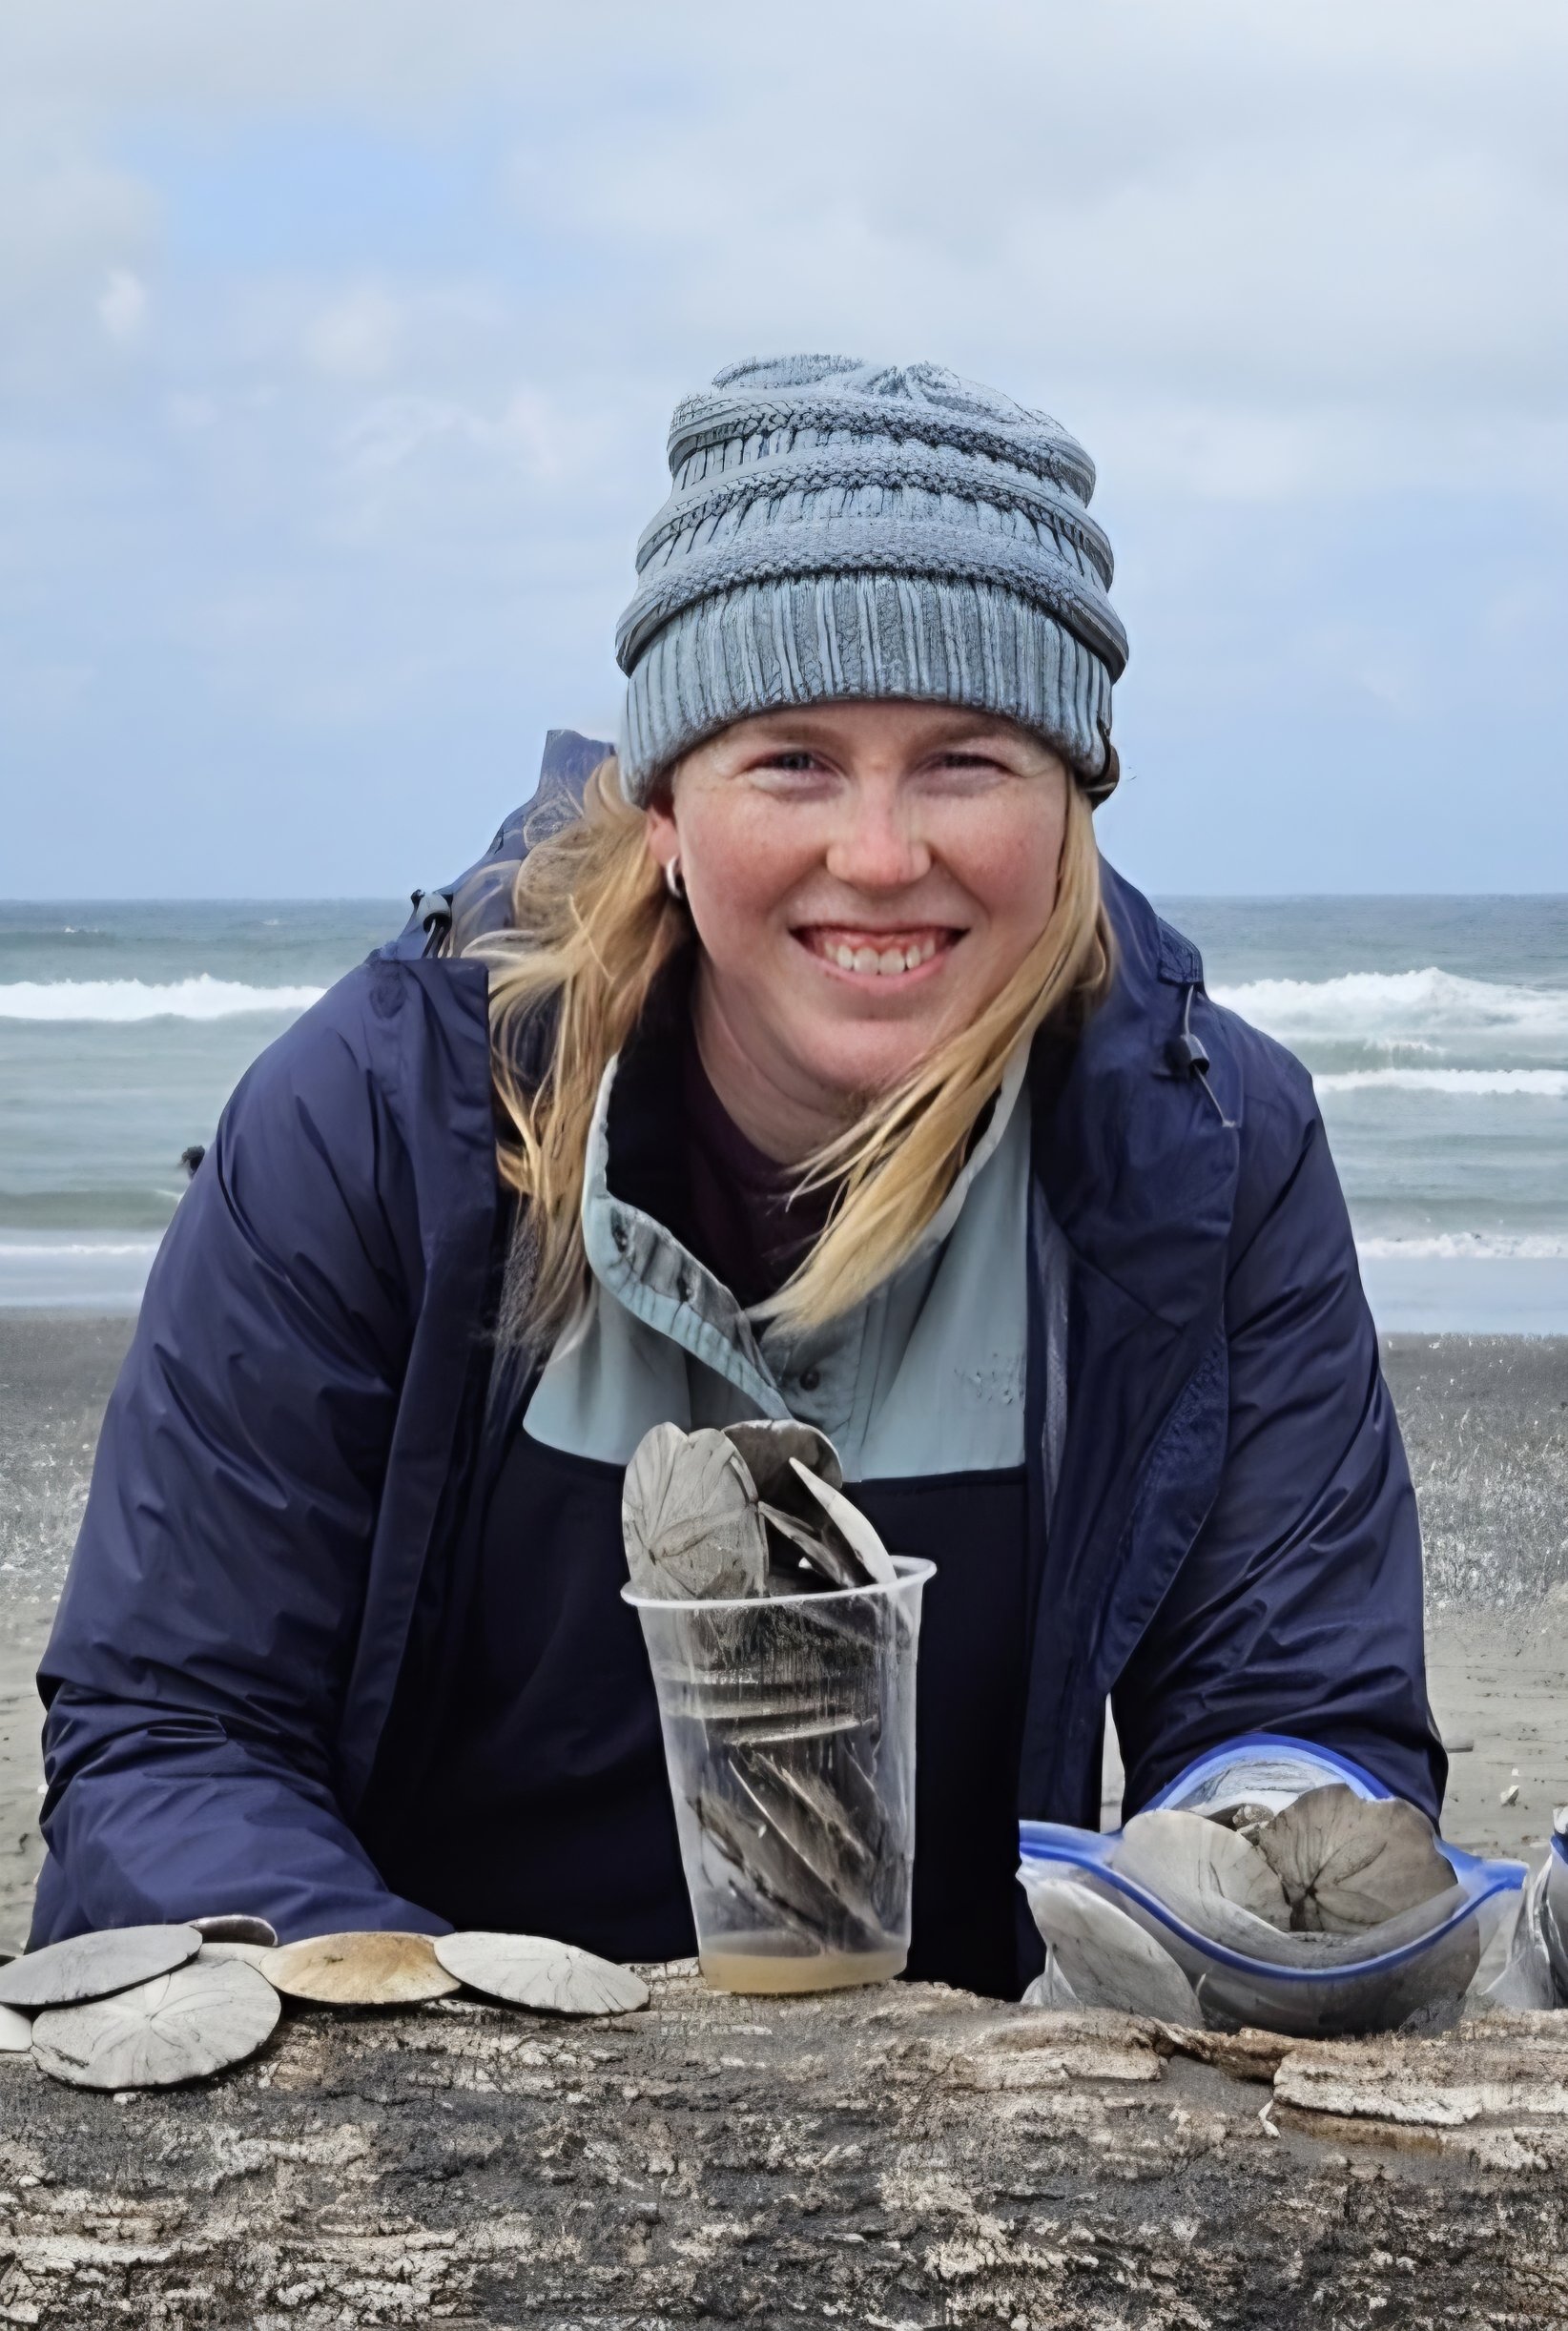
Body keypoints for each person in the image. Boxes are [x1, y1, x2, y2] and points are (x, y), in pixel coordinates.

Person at [32, 357, 1440, 1999]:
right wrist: (452, 2058)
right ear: (662, 809)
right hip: (431, 2079)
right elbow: (173, 1737)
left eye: (968, 760)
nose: (881, 854)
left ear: (1075, 805)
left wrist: (1267, 1885)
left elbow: (1298, 1714)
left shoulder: (1206, 1150)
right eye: (792, 760)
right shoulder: (378, 1123)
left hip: (954, 2116)